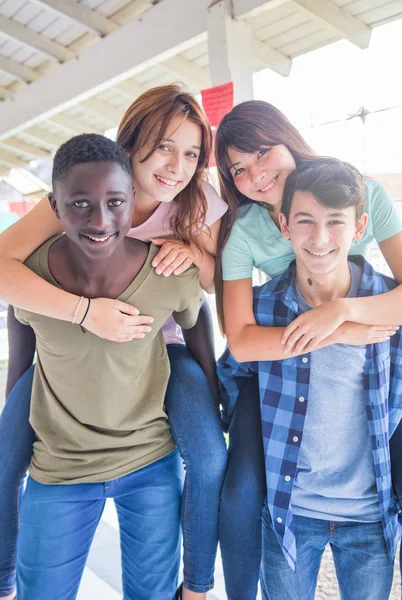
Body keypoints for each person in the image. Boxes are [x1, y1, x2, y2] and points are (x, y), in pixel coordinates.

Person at [0, 85, 227, 600]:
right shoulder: (86, 187)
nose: (176, 166)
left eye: (191, 154)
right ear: (131, 142)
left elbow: (212, 285)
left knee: (209, 457)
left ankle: (195, 585)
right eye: (165, 146)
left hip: (161, 346)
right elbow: (4, 264)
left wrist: (186, 250)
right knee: (6, 451)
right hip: (78, 341)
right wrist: (85, 314)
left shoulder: (197, 199)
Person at [214, 100, 402, 599]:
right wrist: (333, 328)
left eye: (262, 152)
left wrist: (342, 312)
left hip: (364, 332)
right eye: (238, 169)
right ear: (284, 227)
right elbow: (241, 339)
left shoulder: (359, 193)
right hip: (283, 355)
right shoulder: (243, 234)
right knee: (239, 483)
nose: (256, 175)